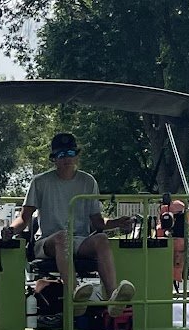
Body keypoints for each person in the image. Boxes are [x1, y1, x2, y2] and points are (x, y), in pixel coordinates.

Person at [9, 130, 134, 307]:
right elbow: (24, 217)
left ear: (76, 156)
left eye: (70, 153)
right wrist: (10, 231)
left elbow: (97, 222)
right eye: (61, 155)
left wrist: (117, 223)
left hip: (79, 242)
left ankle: (113, 298)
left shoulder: (88, 181)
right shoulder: (40, 182)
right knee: (62, 237)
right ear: (54, 159)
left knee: (102, 239)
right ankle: (76, 295)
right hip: (48, 243)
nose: (66, 159)